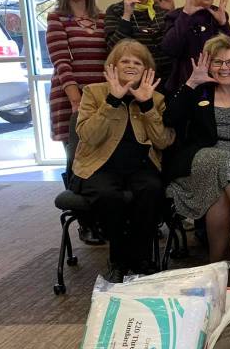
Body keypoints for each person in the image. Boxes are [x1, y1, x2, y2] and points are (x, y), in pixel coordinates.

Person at [71, 39, 174, 283]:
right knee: (108, 195)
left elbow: (163, 141)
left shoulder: (157, 98)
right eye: (124, 61)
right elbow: (88, 136)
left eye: (137, 63)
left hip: (141, 167)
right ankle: (118, 261)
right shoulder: (94, 92)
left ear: (146, 70)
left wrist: (147, 105)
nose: (130, 66)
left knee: (151, 189)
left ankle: (141, 260)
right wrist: (112, 101)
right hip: (99, 166)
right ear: (113, 67)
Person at [164, 35, 230, 263]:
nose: (224, 68)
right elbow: (169, 118)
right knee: (222, 160)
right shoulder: (198, 91)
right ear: (208, 64)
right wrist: (191, 83)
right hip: (200, 159)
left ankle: (217, 263)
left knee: (220, 191)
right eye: (218, 62)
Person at [48, 0, 107, 151]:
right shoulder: (57, 18)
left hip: (100, 97)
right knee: (76, 158)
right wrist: (76, 100)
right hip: (70, 98)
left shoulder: (103, 18)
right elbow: (61, 62)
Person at [162, 0, 230, 92]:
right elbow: (170, 49)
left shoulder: (219, 15)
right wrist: (186, 15)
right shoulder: (175, 16)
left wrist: (223, 24)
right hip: (184, 87)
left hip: (216, 87)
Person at [104, 0, 176, 82]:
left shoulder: (162, 7)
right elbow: (113, 49)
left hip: (169, 79)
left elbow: (175, 45)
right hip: (135, 81)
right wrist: (126, 15)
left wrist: (172, 13)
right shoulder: (115, 10)